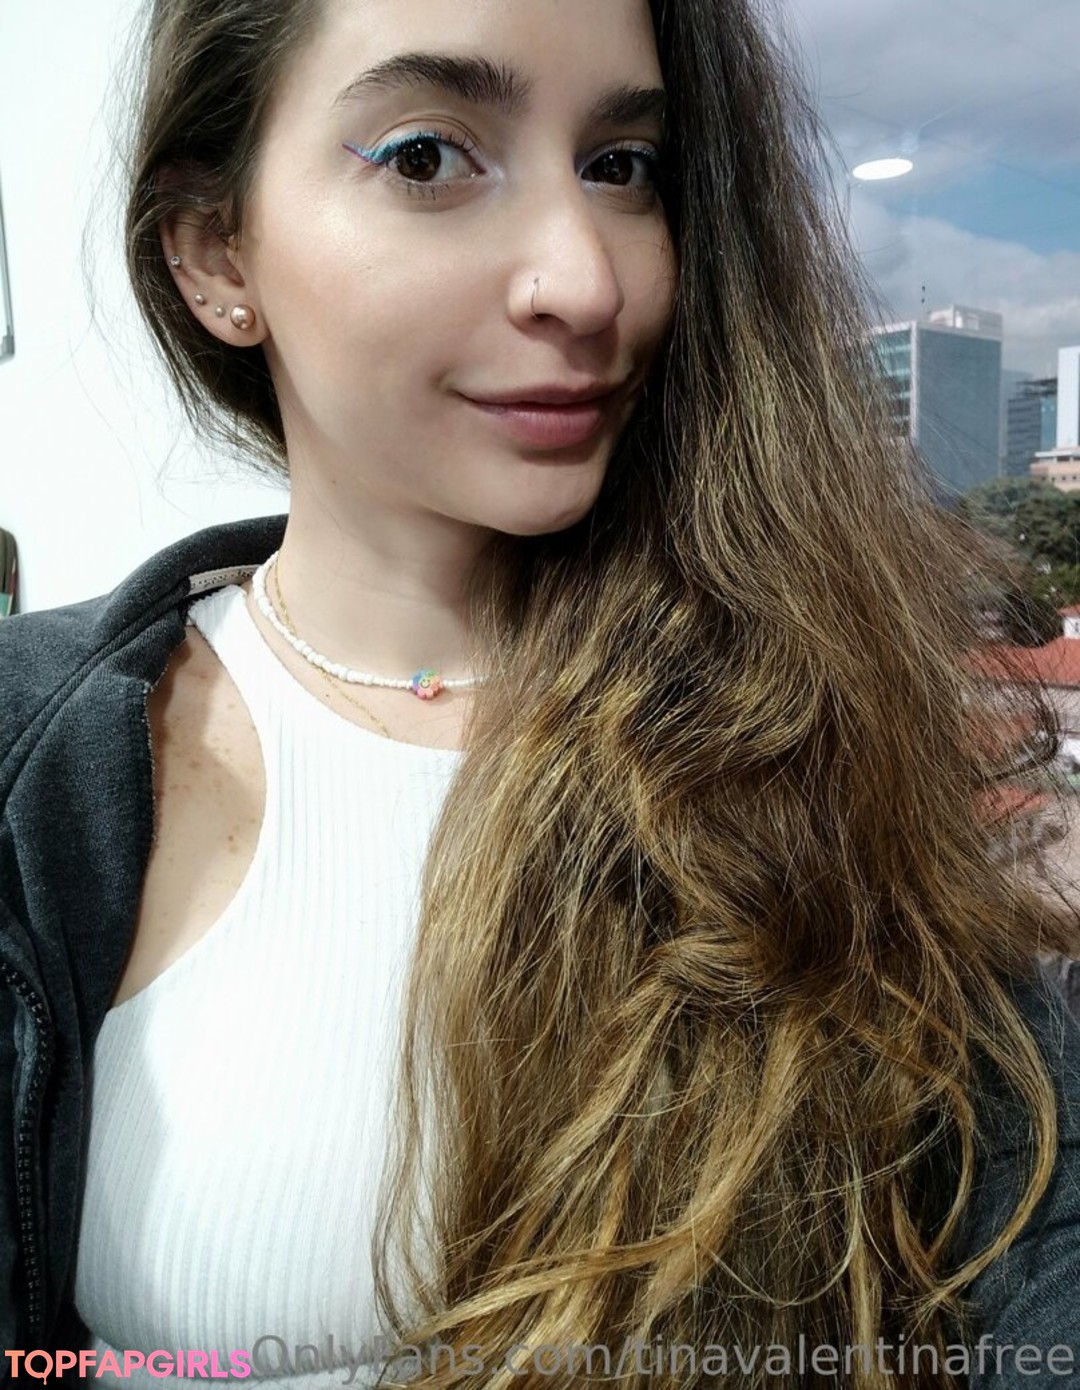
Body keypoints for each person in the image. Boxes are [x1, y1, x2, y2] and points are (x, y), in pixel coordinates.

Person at [2, 0, 1079, 1385]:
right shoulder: (35, 756)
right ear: (216, 251)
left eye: (624, 167)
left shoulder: (813, 727)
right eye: (426, 157)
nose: (585, 279)